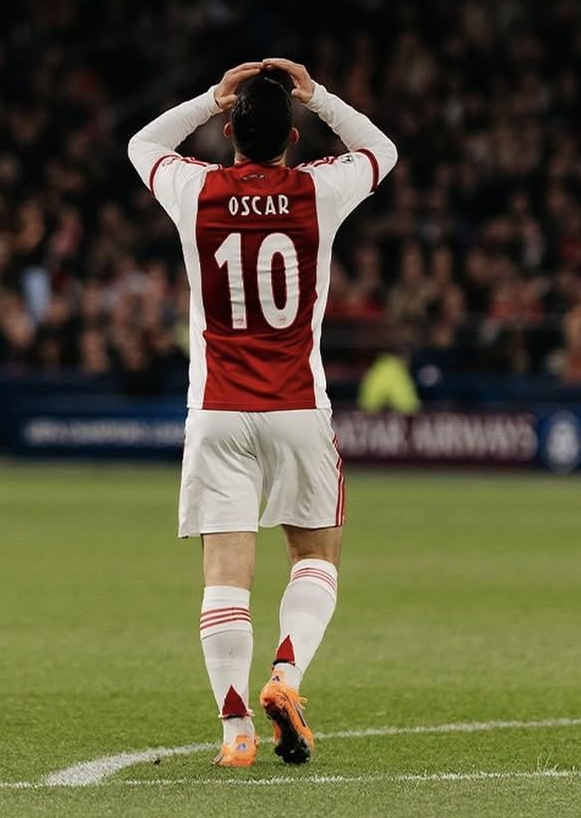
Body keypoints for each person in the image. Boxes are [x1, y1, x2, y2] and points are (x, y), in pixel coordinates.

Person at [128, 57, 398, 769]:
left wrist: (208, 95)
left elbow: (142, 145)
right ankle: (285, 673)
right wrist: (321, 95)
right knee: (314, 555)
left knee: (225, 575)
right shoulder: (318, 189)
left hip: (218, 408)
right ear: (294, 139)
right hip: (297, 406)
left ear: (228, 132)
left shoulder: (196, 189)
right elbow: (382, 151)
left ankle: (235, 731)